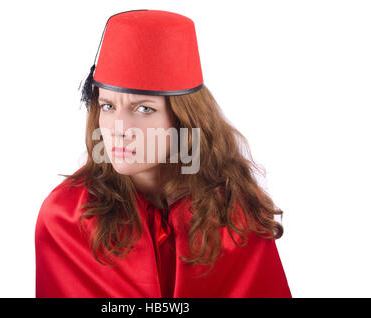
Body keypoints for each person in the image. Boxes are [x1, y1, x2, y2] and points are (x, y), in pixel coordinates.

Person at [35, 9, 292, 298]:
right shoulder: (66, 218)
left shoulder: (235, 215)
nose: (119, 129)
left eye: (144, 108)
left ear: (183, 119)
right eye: (107, 106)